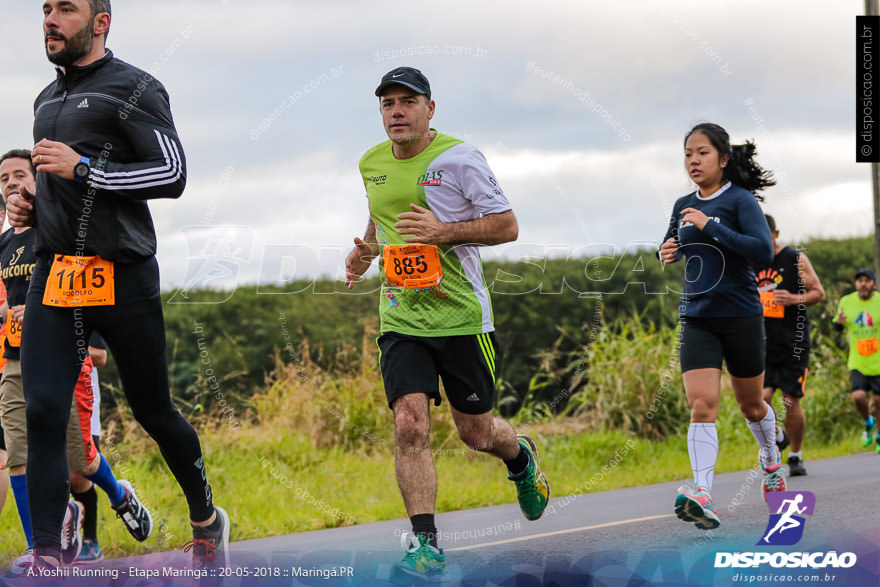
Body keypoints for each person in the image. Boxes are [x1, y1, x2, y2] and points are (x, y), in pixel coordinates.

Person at [5, 1, 228, 569]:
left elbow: (172, 174)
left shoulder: (135, 87)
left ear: (100, 22)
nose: (50, 19)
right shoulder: (45, 98)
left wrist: (84, 168)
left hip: (123, 272)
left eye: (66, 9)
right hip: (58, 273)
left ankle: (206, 517)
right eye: (46, 9)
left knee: (154, 410)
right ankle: (51, 554)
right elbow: (63, 188)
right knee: (44, 410)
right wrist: (38, 205)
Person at [344, 66, 550, 578]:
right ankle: (425, 543)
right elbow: (382, 214)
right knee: (409, 425)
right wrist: (367, 251)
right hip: (401, 317)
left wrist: (445, 232)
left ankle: (520, 457)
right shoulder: (371, 161)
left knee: (475, 434)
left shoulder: (460, 158)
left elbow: (507, 226)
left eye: (407, 101)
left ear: (429, 109)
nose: (396, 111)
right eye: (388, 103)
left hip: (460, 318)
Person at [0, 149, 153, 574]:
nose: (12, 184)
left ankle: (120, 495)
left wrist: (45, 310)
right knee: (18, 455)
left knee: (79, 462)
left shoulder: (58, 226)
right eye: (4, 179)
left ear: (37, 178)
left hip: (61, 355)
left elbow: (88, 282)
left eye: (19, 175)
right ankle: (40, 553)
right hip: (15, 360)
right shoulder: (4, 242)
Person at [659, 122, 783, 531]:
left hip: (742, 316)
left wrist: (711, 226)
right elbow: (668, 243)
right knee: (701, 406)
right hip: (697, 317)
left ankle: (770, 459)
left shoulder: (740, 201)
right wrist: (666, 250)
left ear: (724, 159)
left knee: (751, 405)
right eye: (688, 153)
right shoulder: (682, 204)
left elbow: (761, 250)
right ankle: (703, 493)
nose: (693, 160)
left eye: (702, 153)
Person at [756, 215, 825, 476]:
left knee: (790, 400)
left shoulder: (795, 259)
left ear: (776, 234)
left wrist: (794, 298)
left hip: (793, 342)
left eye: (767, 234)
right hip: (761, 342)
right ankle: (778, 435)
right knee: (760, 399)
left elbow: (818, 292)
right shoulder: (751, 260)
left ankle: (795, 455)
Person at [835, 268, 880, 450]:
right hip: (858, 361)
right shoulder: (847, 302)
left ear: (873, 284)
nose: (863, 283)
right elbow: (837, 326)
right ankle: (868, 421)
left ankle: (879, 436)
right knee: (858, 397)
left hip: (878, 362)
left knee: (878, 401)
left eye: (867, 280)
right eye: (860, 280)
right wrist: (838, 322)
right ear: (856, 284)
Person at [74, 332, 108, 564]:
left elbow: (100, 356)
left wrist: (56, 346)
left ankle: (91, 540)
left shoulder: (84, 301)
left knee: (81, 472)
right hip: (46, 395)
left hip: (84, 398)